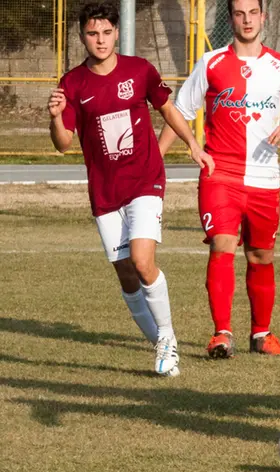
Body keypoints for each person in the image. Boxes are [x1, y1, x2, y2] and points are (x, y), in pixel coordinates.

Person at [48, 1, 212, 376]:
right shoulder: (72, 84)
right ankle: (161, 344)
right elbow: (63, 144)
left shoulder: (139, 71)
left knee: (142, 261)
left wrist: (193, 144)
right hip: (105, 191)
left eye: (106, 32)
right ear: (82, 36)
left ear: (117, 33)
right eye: (92, 33)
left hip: (145, 179)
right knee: (125, 273)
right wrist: (56, 117)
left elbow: (168, 108)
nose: (100, 40)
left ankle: (168, 338)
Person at [158, 0, 280, 358]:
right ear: (231, 18)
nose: (247, 20)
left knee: (261, 255)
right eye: (239, 14)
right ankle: (222, 334)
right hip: (220, 174)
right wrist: (156, 159)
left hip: (265, 179)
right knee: (222, 245)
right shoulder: (211, 64)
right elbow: (179, 111)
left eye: (252, 13)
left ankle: (261, 335)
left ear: (263, 16)